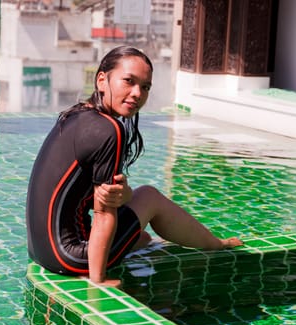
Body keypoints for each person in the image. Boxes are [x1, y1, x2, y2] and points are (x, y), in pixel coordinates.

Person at [26, 46, 243, 287]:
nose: (137, 93)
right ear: (102, 80)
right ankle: (216, 245)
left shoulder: (78, 115)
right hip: (68, 257)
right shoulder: (109, 130)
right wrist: (98, 281)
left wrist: (125, 195)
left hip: (41, 251)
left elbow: (103, 196)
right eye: (128, 81)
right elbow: (103, 212)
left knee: (142, 237)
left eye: (145, 86)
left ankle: (203, 242)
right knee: (150, 197)